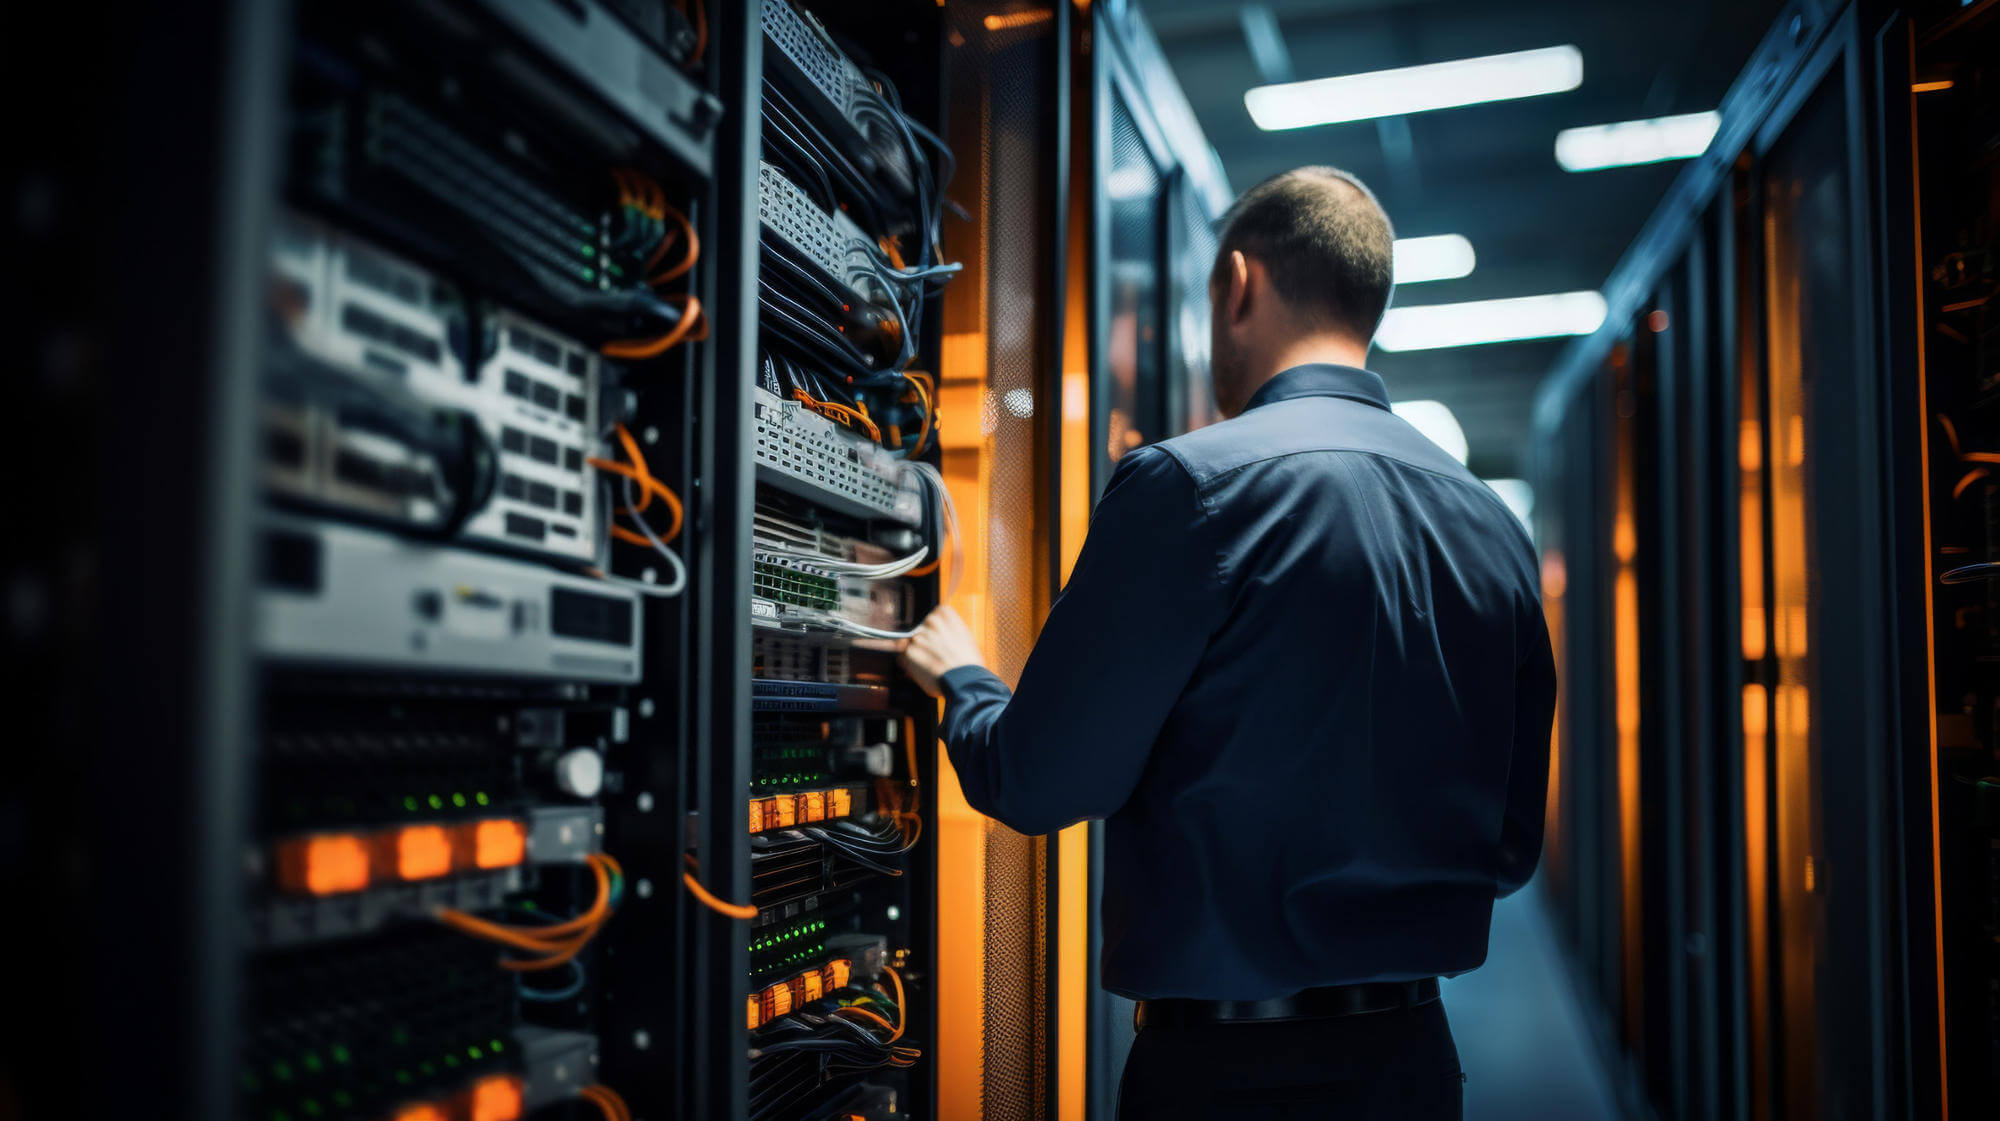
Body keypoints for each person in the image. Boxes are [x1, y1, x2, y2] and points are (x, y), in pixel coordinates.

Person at [897, 166, 1556, 1121]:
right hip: (1413, 1068)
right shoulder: (1493, 526)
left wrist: (961, 680)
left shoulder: (1190, 486)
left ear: (1238, 284)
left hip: (1225, 1080)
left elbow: (1040, 781)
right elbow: (1509, 848)